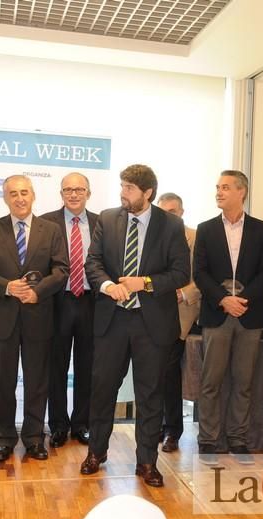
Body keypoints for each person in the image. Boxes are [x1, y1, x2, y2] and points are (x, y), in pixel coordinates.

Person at [80, 164, 189, 488]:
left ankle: (146, 461)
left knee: (150, 394)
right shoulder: (108, 218)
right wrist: (107, 286)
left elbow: (181, 272)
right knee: (102, 390)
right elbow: (93, 262)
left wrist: (146, 282)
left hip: (151, 323)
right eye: (122, 186)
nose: (122, 193)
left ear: (147, 193)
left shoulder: (171, 225)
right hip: (112, 319)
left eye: (129, 188)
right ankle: (96, 452)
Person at [0, 175, 68, 462]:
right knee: (1, 383)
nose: (19, 198)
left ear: (33, 195)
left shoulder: (51, 230)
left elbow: (61, 270)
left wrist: (37, 293)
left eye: (24, 192)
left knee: (37, 382)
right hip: (1, 319)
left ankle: (33, 438)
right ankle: (3, 438)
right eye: (13, 193)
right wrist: (7, 287)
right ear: (5, 198)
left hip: (38, 317)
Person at [193, 170, 263, 466]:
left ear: (242, 192)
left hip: (249, 315)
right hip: (217, 313)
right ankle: (209, 440)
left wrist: (244, 300)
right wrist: (223, 299)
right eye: (217, 187)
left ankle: (238, 439)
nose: (219, 192)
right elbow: (199, 272)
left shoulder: (261, 229)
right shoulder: (206, 228)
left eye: (225, 187)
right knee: (210, 381)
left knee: (244, 382)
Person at [41, 172, 99, 448]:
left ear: (89, 193)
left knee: (87, 366)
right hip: (58, 301)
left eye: (79, 189)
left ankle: (81, 424)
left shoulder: (103, 223)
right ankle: (58, 426)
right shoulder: (46, 223)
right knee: (56, 367)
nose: (73, 194)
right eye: (68, 190)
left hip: (91, 301)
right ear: (61, 193)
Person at [156, 192, 201, 453]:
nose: (168, 216)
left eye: (172, 211)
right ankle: (158, 427)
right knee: (157, 375)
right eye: (163, 212)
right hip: (155, 315)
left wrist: (183, 293)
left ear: (181, 213)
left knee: (171, 375)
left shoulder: (196, 237)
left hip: (184, 316)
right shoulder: (153, 239)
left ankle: (172, 430)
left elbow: (204, 277)